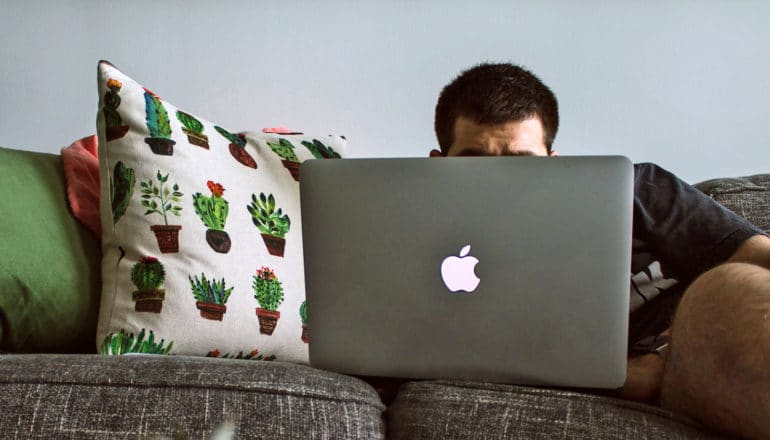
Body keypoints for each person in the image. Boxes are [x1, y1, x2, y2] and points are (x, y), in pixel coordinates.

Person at [431, 62, 770, 439]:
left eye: (521, 166)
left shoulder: (634, 188)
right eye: (475, 165)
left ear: (553, 164)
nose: (500, 187)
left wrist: (658, 358)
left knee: (721, 290)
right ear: (437, 165)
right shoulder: (424, 251)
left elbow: (761, 255)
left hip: (695, 341)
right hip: (683, 383)